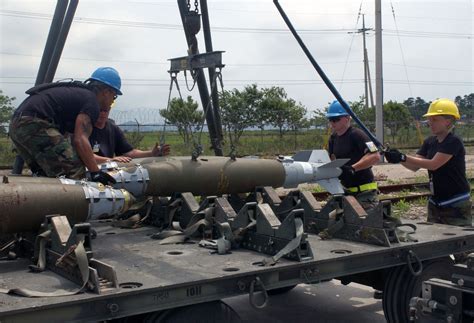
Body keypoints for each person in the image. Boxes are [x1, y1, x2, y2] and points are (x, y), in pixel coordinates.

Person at [9, 67, 122, 185]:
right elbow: (80, 140)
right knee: (74, 172)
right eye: (114, 97)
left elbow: (71, 142)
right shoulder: (92, 101)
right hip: (35, 123)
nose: (111, 102)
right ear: (106, 92)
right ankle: (76, 203)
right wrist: (95, 172)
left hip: (17, 124)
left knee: (44, 174)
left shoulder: (77, 95)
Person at [385, 99, 472, 227]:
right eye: (430, 119)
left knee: (456, 243)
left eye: (435, 119)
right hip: (436, 203)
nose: (430, 123)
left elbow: (433, 164)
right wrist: (397, 158)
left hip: (455, 204)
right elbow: (415, 166)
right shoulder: (430, 142)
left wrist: (403, 157)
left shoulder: (453, 141)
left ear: (448, 121)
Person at [326, 100, 381, 209]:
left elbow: (375, 156)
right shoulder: (333, 139)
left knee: (365, 223)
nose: (332, 123)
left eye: (336, 119)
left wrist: (352, 169)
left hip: (365, 193)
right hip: (346, 192)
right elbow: (331, 160)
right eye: (330, 119)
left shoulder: (358, 135)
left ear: (347, 118)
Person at [90, 105, 171, 164]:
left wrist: (151, 153)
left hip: (108, 169)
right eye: (100, 110)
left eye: (106, 110)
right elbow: (85, 155)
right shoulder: (85, 128)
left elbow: (129, 152)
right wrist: (110, 160)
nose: (103, 113)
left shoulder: (113, 128)